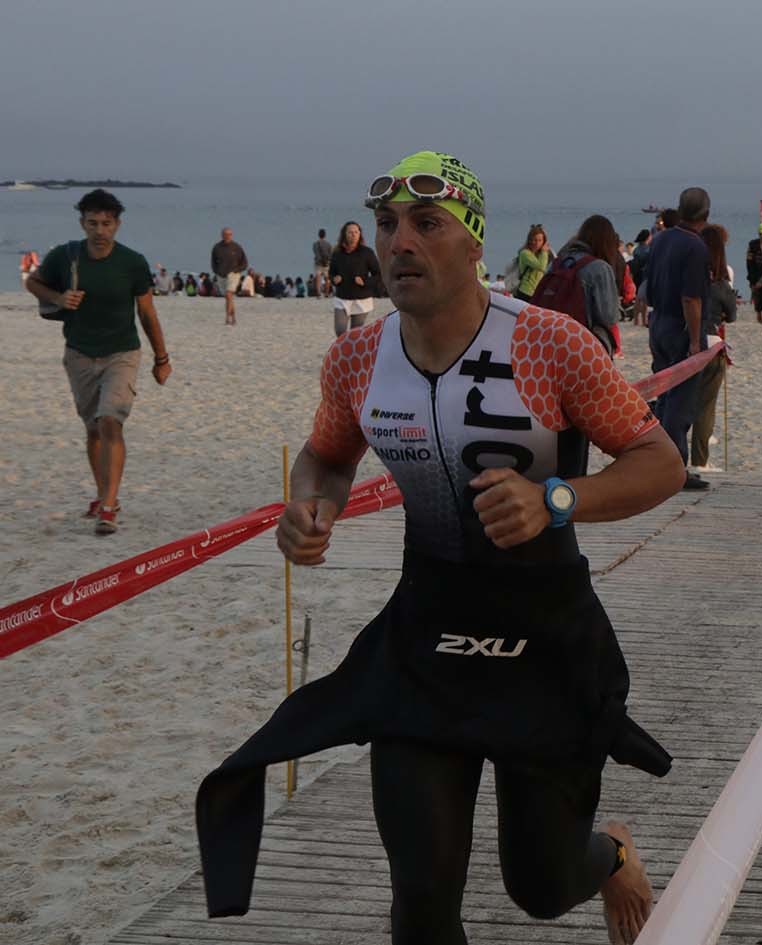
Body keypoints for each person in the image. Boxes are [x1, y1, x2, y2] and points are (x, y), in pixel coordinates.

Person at [195, 150, 682, 945]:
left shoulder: (551, 344)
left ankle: (612, 850)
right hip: (427, 639)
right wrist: (310, 506)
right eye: (387, 225)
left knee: (542, 884)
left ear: (474, 243)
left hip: (545, 640)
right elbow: (326, 457)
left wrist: (556, 499)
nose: (399, 243)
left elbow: (660, 463)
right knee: (420, 900)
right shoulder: (357, 358)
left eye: (427, 224)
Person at [23, 189, 172, 535]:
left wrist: (161, 358)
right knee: (92, 429)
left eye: (106, 223)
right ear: (82, 223)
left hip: (122, 352)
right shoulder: (65, 256)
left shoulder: (132, 262)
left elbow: (147, 312)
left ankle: (109, 505)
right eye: (93, 223)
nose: (100, 230)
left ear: (117, 224)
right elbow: (33, 282)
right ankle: (103, 494)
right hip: (78, 354)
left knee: (110, 421)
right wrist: (59, 297)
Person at [643, 188, 713, 489]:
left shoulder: (661, 239)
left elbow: (647, 282)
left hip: (658, 320)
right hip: (680, 326)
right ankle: (673, 468)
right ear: (706, 214)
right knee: (680, 401)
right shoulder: (695, 247)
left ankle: (655, 460)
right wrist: (695, 341)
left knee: (663, 394)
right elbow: (691, 298)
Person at [545, 215, 622, 355]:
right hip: (584, 346)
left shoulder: (558, 262)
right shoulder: (599, 268)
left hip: (552, 341)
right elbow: (609, 316)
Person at [691, 224, 734, 472]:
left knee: (683, 402)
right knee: (706, 406)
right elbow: (732, 315)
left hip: (687, 341)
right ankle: (700, 460)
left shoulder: (689, 280)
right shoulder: (721, 284)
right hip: (711, 344)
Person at [329, 220, 380, 336]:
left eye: (356, 232)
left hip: (361, 299)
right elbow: (331, 272)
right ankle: (344, 347)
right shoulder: (337, 253)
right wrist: (334, 279)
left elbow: (378, 274)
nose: (353, 235)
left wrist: (365, 282)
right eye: (350, 232)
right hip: (342, 298)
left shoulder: (367, 252)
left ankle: (351, 348)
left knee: (355, 334)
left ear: (360, 234)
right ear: (345, 234)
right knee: (340, 330)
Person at [210, 227, 248, 326]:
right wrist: (216, 271)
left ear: (232, 235)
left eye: (229, 234)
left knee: (228, 294)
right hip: (221, 275)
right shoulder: (217, 247)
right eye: (225, 234)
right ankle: (233, 318)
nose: (227, 236)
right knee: (228, 297)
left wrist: (236, 270)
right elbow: (213, 262)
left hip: (233, 274)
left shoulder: (237, 247)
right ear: (222, 235)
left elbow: (244, 263)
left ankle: (227, 318)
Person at [515, 224, 551, 302]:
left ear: (543, 241)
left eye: (540, 240)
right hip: (525, 291)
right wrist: (544, 251)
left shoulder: (541, 255)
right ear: (529, 240)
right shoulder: (525, 253)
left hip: (538, 292)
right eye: (534, 240)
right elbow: (541, 267)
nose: (537, 243)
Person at [313, 229, 333, 297]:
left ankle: (318, 293)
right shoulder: (328, 244)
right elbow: (330, 254)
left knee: (318, 278)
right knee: (327, 279)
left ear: (319, 235)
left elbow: (316, 253)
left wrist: (319, 259)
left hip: (318, 263)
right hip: (326, 263)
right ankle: (326, 293)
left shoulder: (315, 244)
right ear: (325, 235)